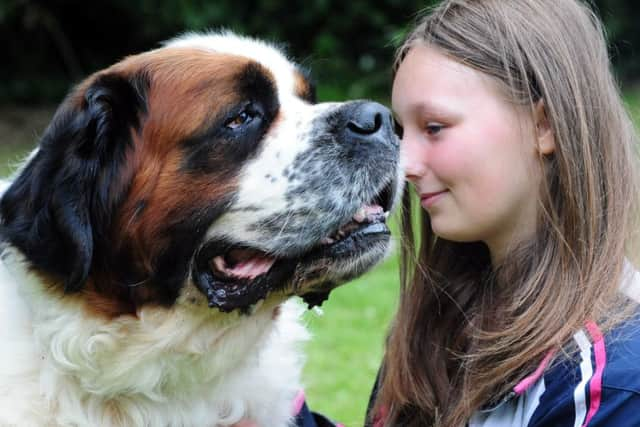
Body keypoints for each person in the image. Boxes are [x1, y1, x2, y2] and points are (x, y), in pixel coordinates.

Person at [366, 0, 640, 426]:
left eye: (434, 127)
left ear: (544, 126)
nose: (405, 163)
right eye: (403, 132)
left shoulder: (613, 380)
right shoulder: (438, 325)